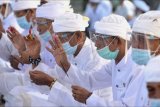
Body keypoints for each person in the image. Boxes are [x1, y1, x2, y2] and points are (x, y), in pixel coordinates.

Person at [47, 14, 149, 106]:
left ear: (116, 41)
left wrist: (89, 98)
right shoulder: (115, 63)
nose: (96, 44)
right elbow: (90, 81)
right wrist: (65, 63)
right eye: (96, 38)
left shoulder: (137, 67)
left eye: (101, 39)